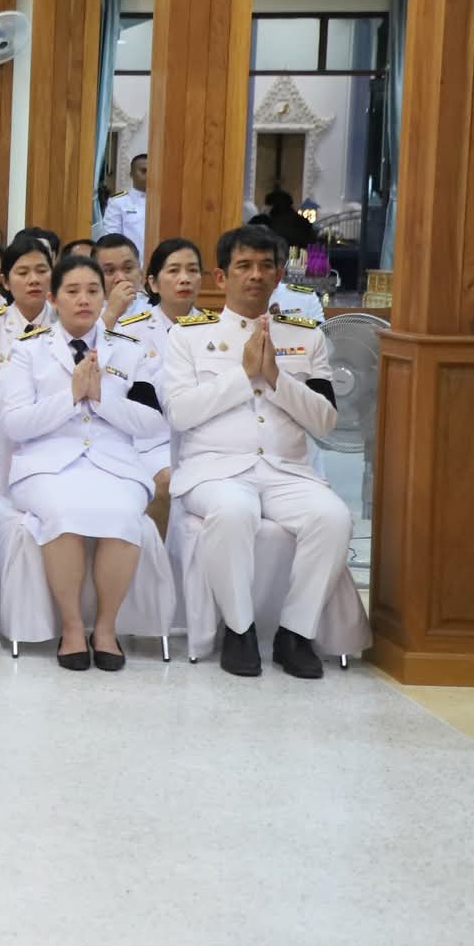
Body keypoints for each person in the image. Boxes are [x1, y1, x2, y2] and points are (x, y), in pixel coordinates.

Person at [161, 226, 347, 678]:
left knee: (333, 517)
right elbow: (180, 413)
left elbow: (325, 420)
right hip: (215, 471)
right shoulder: (188, 336)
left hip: (287, 471)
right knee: (232, 511)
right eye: (244, 266)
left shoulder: (307, 337)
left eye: (266, 266)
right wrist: (244, 376)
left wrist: (277, 379)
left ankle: (295, 634)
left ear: (280, 274)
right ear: (221, 278)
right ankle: (239, 631)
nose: (256, 276)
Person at [0, 255, 164, 670]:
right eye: (72, 291)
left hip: (115, 463)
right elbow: (15, 423)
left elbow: (149, 422)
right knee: (64, 512)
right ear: (53, 298)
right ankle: (72, 628)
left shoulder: (132, 352)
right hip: (46, 464)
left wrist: (101, 399)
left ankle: (105, 628)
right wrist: (70, 396)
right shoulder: (27, 351)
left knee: (124, 516)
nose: (84, 300)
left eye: (93, 290)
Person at [0, 235, 56, 479]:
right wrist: (24, 368)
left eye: (41, 270)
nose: (33, 280)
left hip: (56, 429)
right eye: (23, 272)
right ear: (5, 282)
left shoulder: (66, 323)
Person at [133, 237, 205, 533]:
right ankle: (158, 570)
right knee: (164, 482)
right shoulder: (132, 331)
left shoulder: (214, 330)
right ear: (152, 282)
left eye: (193, 270)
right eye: (173, 270)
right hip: (151, 441)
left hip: (201, 440)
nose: (184, 278)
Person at [93, 234, 152, 325]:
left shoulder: (155, 309)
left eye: (128, 268)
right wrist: (111, 313)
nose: (120, 278)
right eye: (110, 271)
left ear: (141, 273)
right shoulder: (85, 313)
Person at [105, 153, 149, 257]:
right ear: (131, 174)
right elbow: (113, 238)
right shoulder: (118, 202)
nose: (148, 175)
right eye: (143, 171)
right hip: (130, 262)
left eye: (152, 171)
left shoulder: (163, 202)